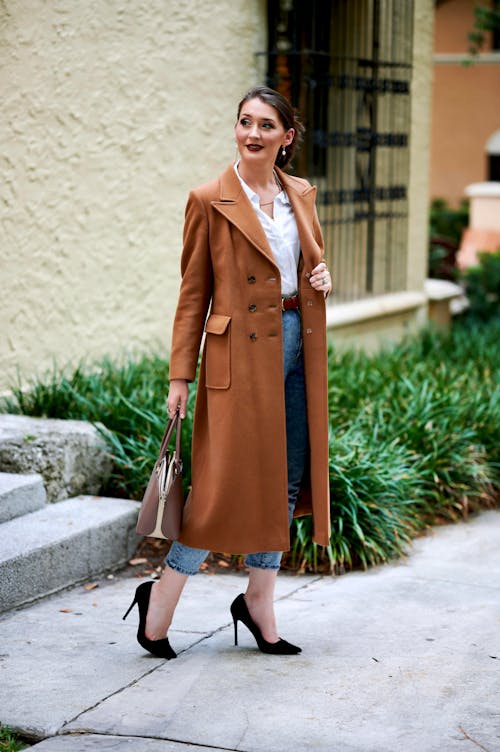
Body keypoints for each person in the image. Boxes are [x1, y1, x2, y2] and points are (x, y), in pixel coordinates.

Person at [124, 85, 332, 658]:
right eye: (245, 122)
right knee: (217, 492)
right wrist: (178, 379)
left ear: (286, 137)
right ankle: (161, 599)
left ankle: (259, 599)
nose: (253, 133)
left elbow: (308, 267)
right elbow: (192, 295)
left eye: (267, 125)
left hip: (297, 347)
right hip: (236, 357)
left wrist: (320, 279)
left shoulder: (301, 196)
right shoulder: (209, 199)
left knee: (286, 478)